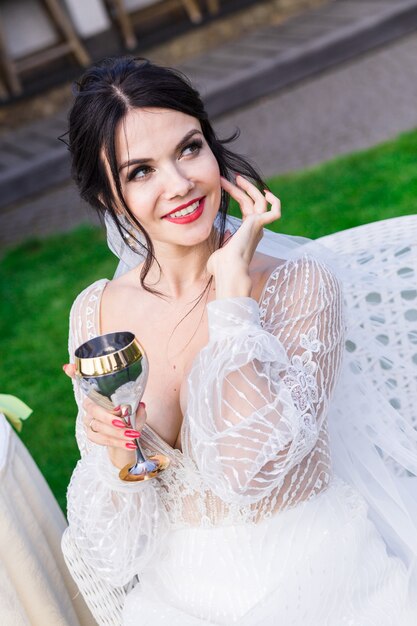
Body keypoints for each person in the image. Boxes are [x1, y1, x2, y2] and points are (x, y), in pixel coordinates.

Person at [62, 57, 417, 625]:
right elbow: (111, 554)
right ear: (109, 198)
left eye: (188, 148)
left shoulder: (299, 284)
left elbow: (248, 472)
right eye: (140, 172)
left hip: (322, 587)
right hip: (176, 602)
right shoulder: (97, 315)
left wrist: (233, 305)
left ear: (213, 149)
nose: (180, 184)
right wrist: (116, 452)